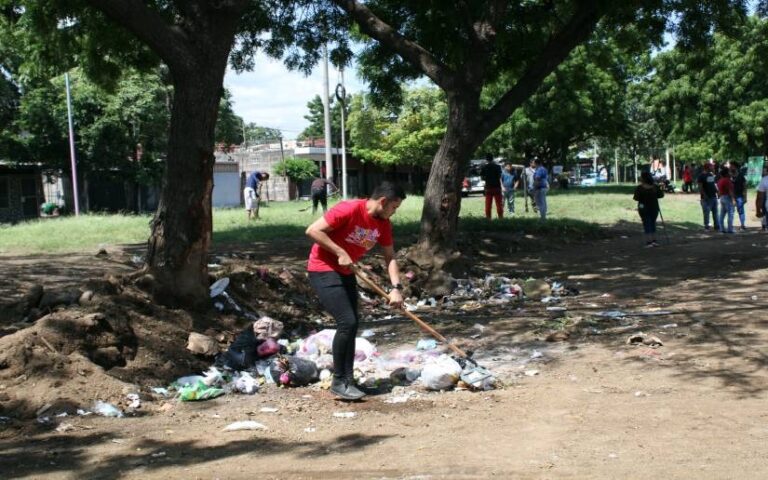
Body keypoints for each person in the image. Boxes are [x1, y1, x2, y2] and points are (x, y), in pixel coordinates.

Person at [305, 181, 405, 400]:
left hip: (346, 272)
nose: (394, 213)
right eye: (394, 207)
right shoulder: (349, 208)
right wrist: (340, 251)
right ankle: (339, 381)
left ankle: (348, 380)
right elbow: (313, 230)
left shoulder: (383, 224)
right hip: (323, 269)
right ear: (383, 201)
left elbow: (390, 257)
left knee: (352, 325)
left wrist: (396, 288)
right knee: (346, 322)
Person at [634, 170, 664, 247]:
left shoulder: (640, 188)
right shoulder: (655, 187)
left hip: (643, 208)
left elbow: (636, 198)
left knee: (646, 224)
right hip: (654, 208)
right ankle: (654, 240)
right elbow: (661, 195)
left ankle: (649, 242)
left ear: (643, 178)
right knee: (653, 223)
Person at [698, 162, 719, 231]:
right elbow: (700, 187)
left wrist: (717, 192)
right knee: (706, 213)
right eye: (711, 166)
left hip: (713, 196)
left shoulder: (711, 175)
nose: (713, 168)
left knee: (715, 212)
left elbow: (713, 185)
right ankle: (706, 226)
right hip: (706, 198)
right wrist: (704, 195)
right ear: (708, 167)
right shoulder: (701, 176)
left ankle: (717, 226)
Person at [481, 154, 503, 219]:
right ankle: (501, 218)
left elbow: (482, 177)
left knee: (488, 205)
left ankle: (488, 219)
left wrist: (487, 179)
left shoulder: (484, 167)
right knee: (499, 204)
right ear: (492, 158)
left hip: (488, 187)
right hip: (497, 187)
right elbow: (499, 176)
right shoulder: (498, 167)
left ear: (486, 159)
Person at [716, 166, 735, 234]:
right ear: (726, 174)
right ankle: (730, 229)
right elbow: (730, 190)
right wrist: (733, 199)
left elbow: (718, 190)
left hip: (722, 197)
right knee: (730, 213)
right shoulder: (727, 180)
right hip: (727, 197)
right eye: (729, 172)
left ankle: (722, 229)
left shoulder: (720, 180)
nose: (730, 173)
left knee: (722, 214)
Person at [731, 162, 747, 231]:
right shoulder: (729, 176)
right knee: (731, 212)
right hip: (731, 197)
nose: (730, 168)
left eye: (732, 166)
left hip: (739, 196)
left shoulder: (741, 176)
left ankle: (742, 225)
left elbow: (745, 186)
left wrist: (745, 197)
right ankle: (730, 226)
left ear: (736, 167)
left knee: (741, 211)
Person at [756, 166, 768, 231]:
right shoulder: (763, 180)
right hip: (764, 201)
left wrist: (757, 210)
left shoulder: (764, 180)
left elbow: (759, 196)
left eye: (765, 171)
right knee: (764, 213)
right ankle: (764, 224)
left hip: (765, 202)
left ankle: (764, 224)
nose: (763, 172)